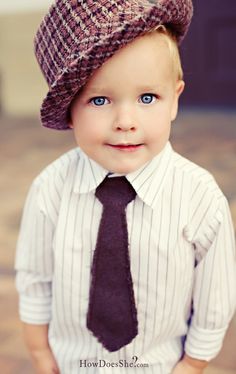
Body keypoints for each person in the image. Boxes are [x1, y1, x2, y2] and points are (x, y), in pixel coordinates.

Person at [15, 1, 236, 373]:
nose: (126, 121)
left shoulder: (198, 195)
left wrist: (194, 362)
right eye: (99, 100)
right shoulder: (50, 189)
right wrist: (39, 351)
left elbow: (216, 294)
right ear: (70, 110)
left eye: (147, 98)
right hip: (73, 363)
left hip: (162, 365)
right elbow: (35, 276)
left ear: (174, 100)